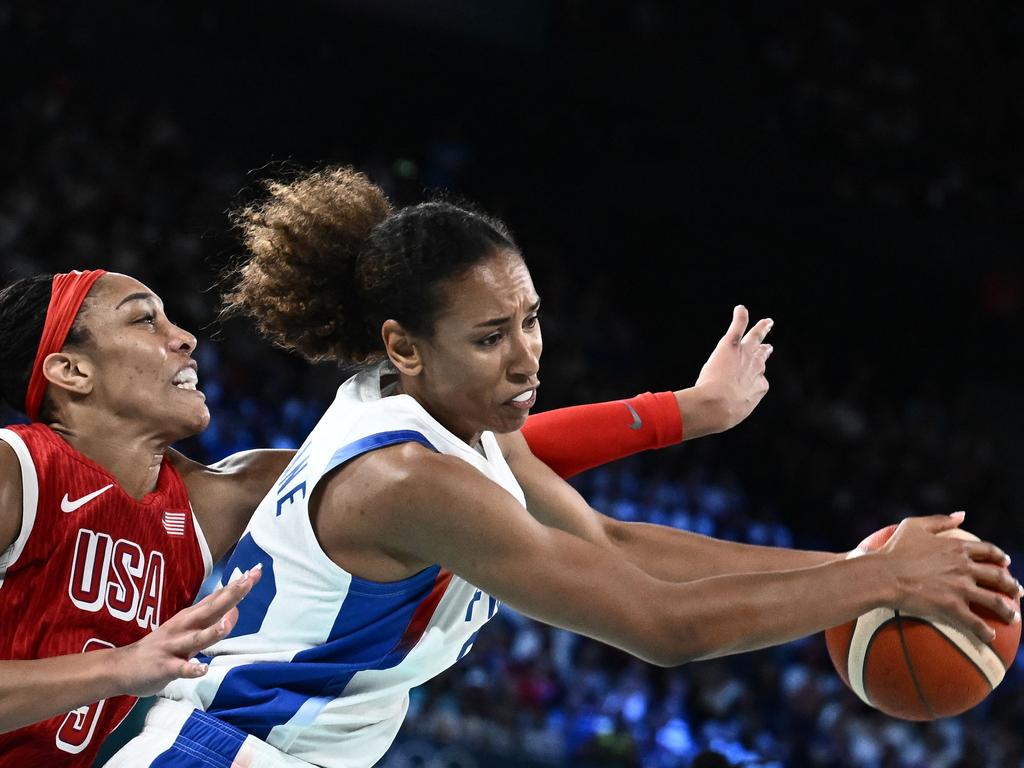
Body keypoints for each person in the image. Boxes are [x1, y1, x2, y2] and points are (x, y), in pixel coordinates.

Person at [104, 164, 1022, 768]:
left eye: (532, 319)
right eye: (491, 336)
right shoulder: (407, 482)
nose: (526, 358)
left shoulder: (450, 418)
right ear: (405, 346)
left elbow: (614, 540)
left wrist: (860, 576)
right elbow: (664, 624)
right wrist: (885, 578)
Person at [0, 256, 771, 765]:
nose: (184, 337)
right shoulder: (15, 470)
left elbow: (463, 458)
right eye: (144, 320)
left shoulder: (220, 498)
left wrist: (681, 413)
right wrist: (118, 668)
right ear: (68, 370)